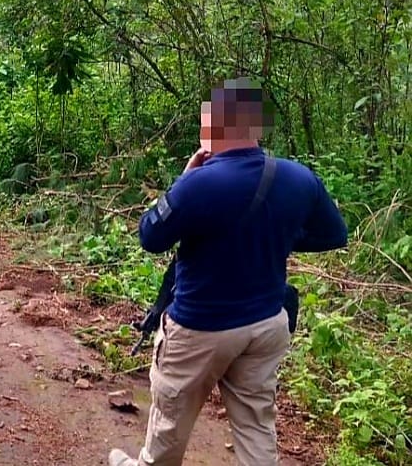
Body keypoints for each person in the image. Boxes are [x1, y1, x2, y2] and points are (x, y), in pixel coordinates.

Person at [109, 78, 347, 466]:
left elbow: (151, 236)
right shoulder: (298, 178)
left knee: (170, 423)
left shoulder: (199, 184)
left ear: (214, 127)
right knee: (256, 428)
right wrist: (279, 238)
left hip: (200, 329)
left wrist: (184, 180)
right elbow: (334, 234)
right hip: (266, 325)